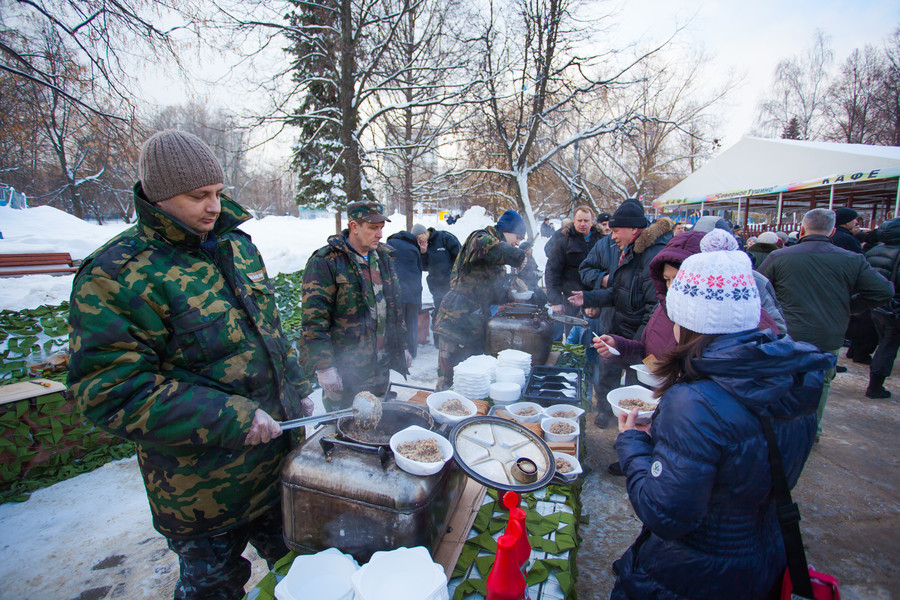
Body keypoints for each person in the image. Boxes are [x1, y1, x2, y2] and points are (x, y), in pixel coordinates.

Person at [68, 129, 313, 600]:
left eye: (218, 193)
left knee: (299, 576)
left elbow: (270, 333)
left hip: (276, 464)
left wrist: (296, 382)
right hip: (199, 493)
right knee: (212, 591)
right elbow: (110, 391)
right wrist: (232, 416)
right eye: (198, 196)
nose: (214, 206)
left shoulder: (237, 248)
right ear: (160, 197)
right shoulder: (116, 274)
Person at [607, 250, 835, 600]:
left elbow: (665, 514)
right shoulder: (794, 377)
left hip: (691, 574)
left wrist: (632, 443)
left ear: (685, 318)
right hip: (762, 560)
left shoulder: (694, 402)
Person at [758, 208, 893, 436]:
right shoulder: (852, 259)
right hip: (827, 333)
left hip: (787, 333)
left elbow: (757, 289)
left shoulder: (779, 257)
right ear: (831, 232)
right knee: (820, 383)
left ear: (802, 229)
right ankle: (811, 431)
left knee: (781, 379)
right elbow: (883, 291)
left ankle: (778, 431)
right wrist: (849, 307)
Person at [568, 198, 673, 428]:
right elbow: (619, 291)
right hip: (616, 325)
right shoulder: (629, 250)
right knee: (607, 374)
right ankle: (607, 412)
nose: (612, 236)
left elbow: (654, 311)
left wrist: (634, 346)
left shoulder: (651, 256)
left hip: (638, 336)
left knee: (639, 391)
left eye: (616, 231)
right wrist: (589, 297)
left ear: (634, 229)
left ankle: (634, 433)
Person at [302, 201, 411, 411]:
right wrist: (324, 366)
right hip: (346, 367)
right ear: (354, 227)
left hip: (381, 362)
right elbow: (314, 320)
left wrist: (402, 344)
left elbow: (394, 308)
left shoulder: (384, 258)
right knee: (344, 425)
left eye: (381, 228)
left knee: (379, 417)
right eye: (372, 228)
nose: (379, 234)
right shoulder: (326, 261)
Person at [432, 209, 527, 390]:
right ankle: (440, 412)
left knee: (471, 378)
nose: (517, 242)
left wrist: (511, 295)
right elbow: (493, 248)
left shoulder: (496, 255)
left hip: (475, 320)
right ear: (506, 229)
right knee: (449, 379)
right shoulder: (480, 238)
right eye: (517, 237)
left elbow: (489, 290)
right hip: (456, 319)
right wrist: (518, 255)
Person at [546, 205, 605, 319]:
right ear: (574, 221)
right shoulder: (563, 241)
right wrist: (555, 300)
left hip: (596, 298)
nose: (582, 224)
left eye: (586, 221)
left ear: (592, 222)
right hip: (571, 299)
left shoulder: (602, 241)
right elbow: (552, 271)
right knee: (573, 334)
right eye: (579, 220)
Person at [865, 217, 900, 398]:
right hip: (895, 307)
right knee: (888, 346)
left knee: (884, 343)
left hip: (877, 305)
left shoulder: (875, 250)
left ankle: (875, 378)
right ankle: (875, 385)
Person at [386, 224, 426, 357]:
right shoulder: (413, 248)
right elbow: (419, 272)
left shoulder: (389, 244)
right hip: (412, 293)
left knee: (396, 323)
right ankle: (412, 353)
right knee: (412, 324)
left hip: (394, 292)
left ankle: (396, 354)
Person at [420, 224, 462, 345]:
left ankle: (453, 339)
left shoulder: (445, 237)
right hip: (436, 284)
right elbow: (424, 267)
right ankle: (439, 341)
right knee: (439, 309)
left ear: (425, 232)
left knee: (453, 310)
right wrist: (423, 253)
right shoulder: (423, 245)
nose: (419, 240)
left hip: (451, 282)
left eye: (420, 236)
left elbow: (460, 257)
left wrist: (455, 276)